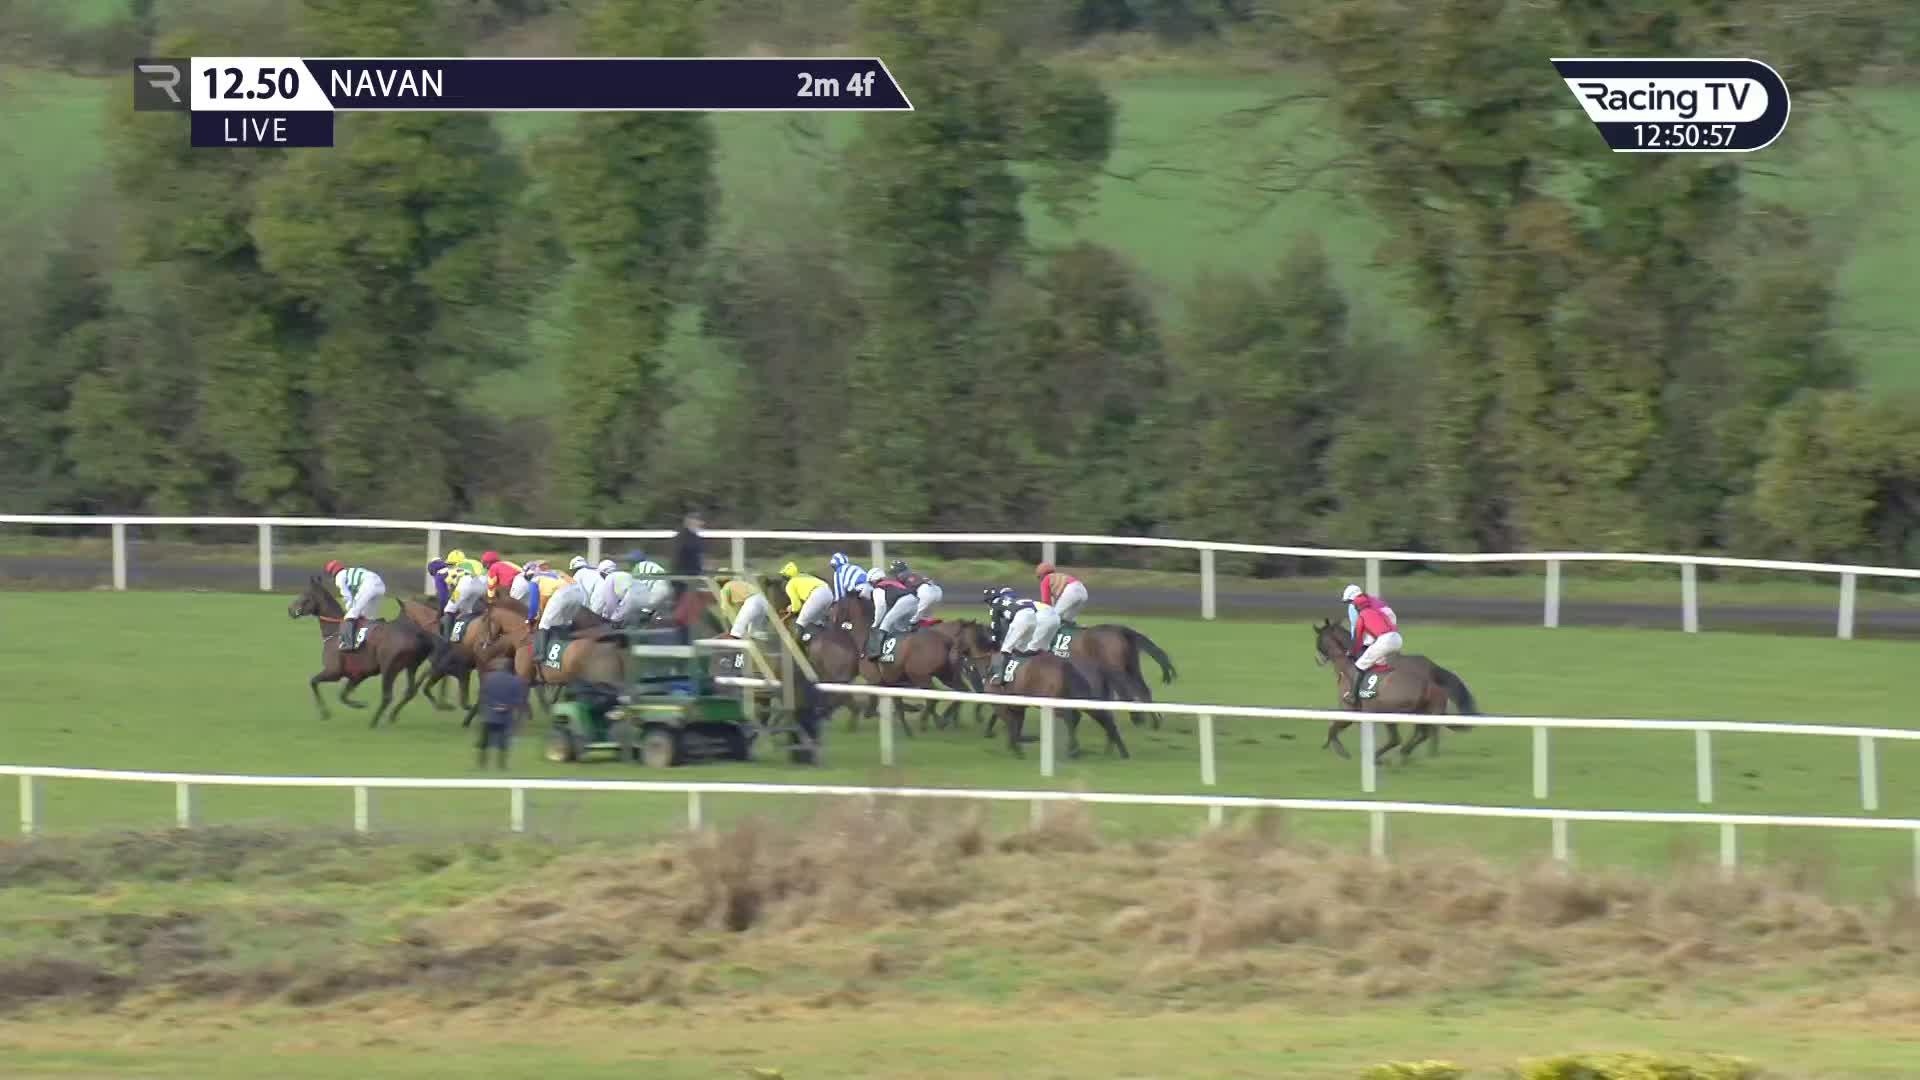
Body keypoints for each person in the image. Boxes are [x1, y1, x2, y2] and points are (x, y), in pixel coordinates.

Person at [1341, 583, 1403, 704]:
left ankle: (1353, 696)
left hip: (1385, 640)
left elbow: (1358, 640)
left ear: (1357, 605)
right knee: (1379, 661)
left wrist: (1353, 652)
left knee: (1360, 665)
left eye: (1353, 604)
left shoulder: (1361, 618)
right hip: (1397, 637)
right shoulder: (1377, 609)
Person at [474, 656, 530, 770]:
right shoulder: (517, 681)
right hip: (505, 717)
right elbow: (519, 702)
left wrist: (491, 707)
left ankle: (482, 765)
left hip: (489, 715)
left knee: (484, 742)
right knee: (503, 743)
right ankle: (501, 766)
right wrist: (507, 708)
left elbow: (483, 696)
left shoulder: (489, 678)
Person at [325, 559, 385, 652]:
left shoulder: (339, 578)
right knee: (369, 618)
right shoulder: (348, 572)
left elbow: (346, 595)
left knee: (350, 615)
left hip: (368, 585)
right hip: (380, 585)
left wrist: (349, 610)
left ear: (332, 572)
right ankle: (369, 640)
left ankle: (347, 644)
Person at [983, 586, 1039, 685]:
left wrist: (995, 640)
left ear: (989, 601)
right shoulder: (1008, 599)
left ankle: (1002, 677)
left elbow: (996, 626)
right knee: (1022, 648)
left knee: (1006, 649)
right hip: (1033, 617)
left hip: (1021, 618)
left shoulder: (995, 605)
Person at [1030, 562, 1085, 654]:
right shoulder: (1059, 577)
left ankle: (1045, 646)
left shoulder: (1046, 580)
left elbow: (1046, 603)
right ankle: (1067, 644)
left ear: (1041, 574)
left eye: (1039, 577)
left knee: (1051, 618)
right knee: (1068, 622)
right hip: (1082, 590)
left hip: (1071, 591)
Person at [865, 565, 919, 659]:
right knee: (900, 627)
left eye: (870, 582)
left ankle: (875, 652)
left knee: (885, 624)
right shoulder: (892, 583)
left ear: (874, 580)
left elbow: (880, 608)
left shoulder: (878, 588)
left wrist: (875, 623)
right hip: (914, 601)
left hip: (904, 602)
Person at [670, 511, 706, 642]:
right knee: (685, 616)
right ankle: (684, 643)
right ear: (691, 521)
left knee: (683, 616)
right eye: (699, 520)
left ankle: (683, 641)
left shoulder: (681, 537)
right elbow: (689, 560)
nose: (702, 523)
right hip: (686, 582)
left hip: (681, 582)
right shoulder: (690, 539)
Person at [617, 552, 671, 624]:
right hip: (666, 590)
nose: (629, 564)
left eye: (630, 561)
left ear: (635, 561)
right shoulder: (652, 565)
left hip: (654, 592)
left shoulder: (638, 566)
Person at [782, 560, 833, 633]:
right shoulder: (804, 575)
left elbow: (797, 606)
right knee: (816, 620)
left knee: (800, 622)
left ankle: (797, 643)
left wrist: (792, 609)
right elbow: (807, 602)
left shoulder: (790, 584)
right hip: (828, 593)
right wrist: (792, 606)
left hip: (817, 596)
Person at [890, 559, 943, 623]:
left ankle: (915, 624)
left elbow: (906, 594)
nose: (895, 575)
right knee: (925, 615)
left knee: (912, 618)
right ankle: (927, 623)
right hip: (937, 591)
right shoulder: (914, 574)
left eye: (895, 572)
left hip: (926, 592)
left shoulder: (906, 577)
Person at [441, 562, 487, 636]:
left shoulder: (455, 575)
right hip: (484, 582)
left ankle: (446, 640)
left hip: (466, 585)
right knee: (468, 608)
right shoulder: (470, 567)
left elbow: (452, 593)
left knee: (449, 609)